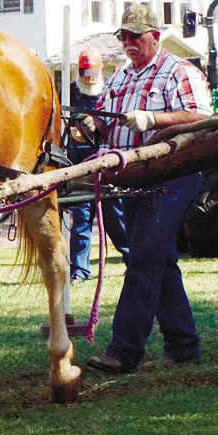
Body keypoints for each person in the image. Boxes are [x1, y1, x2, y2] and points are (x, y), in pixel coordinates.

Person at [85, 4, 212, 374]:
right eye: (123, 37)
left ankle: (124, 350)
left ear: (155, 36)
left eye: (134, 36)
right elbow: (106, 120)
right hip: (135, 178)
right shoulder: (121, 77)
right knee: (158, 258)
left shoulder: (179, 72)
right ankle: (183, 344)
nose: (128, 43)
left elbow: (202, 117)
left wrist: (153, 118)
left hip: (174, 176)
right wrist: (93, 126)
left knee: (143, 257)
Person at [65, 48, 129, 282]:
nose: (89, 78)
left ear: (100, 71)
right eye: (85, 73)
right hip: (79, 164)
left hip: (107, 162)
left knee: (116, 217)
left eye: (93, 73)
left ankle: (131, 259)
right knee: (80, 219)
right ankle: (79, 270)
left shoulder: (111, 91)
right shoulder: (70, 93)